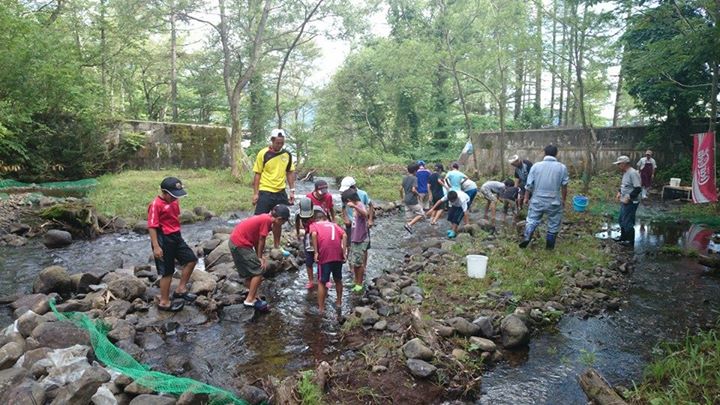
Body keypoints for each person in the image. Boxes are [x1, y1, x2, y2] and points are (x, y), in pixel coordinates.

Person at [148, 177, 197, 312]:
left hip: (176, 236)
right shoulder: (155, 205)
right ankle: (164, 302)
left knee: (191, 260)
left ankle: (181, 289)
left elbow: (175, 217)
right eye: (173, 195)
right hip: (163, 239)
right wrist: (156, 246)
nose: (176, 198)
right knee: (167, 271)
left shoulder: (174, 202)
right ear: (164, 192)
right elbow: (152, 226)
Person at [229, 205, 290, 312]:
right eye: (283, 223)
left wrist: (259, 256)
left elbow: (257, 240)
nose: (282, 225)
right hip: (241, 244)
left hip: (235, 242)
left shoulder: (265, 217)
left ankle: (253, 295)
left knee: (250, 272)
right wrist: (259, 258)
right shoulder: (266, 220)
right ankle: (249, 299)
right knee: (258, 271)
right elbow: (262, 239)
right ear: (279, 219)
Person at [519, 145, 569, 250]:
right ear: (556, 153)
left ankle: (527, 236)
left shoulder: (536, 166)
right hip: (554, 200)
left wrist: (526, 198)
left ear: (544, 153)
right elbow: (564, 186)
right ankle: (549, 248)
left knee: (532, 220)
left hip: (537, 199)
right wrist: (563, 200)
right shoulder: (562, 167)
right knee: (553, 224)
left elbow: (529, 185)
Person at [309, 210, 346, 315]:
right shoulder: (334, 224)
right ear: (325, 218)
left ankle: (321, 308)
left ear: (316, 219)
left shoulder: (314, 225)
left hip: (324, 255)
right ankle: (339, 302)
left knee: (322, 281)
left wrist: (316, 252)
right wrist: (344, 253)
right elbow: (344, 235)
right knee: (338, 279)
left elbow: (314, 234)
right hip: (338, 254)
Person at [252, 129, 296, 215]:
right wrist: (256, 193)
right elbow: (258, 174)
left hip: (280, 192)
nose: (280, 145)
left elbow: (290, 172)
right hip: (266, 191)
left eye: (282, 143)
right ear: (272, 140)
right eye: (277, 143)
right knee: (259, 218)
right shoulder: (263, 153)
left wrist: (292, 191)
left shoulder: (287, 154)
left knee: (279, 219)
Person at [339, 176, 374, 266]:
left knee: (365, 247)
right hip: (351, 224)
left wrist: (370, 220)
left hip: (362, 224)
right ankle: (352, 266)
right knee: (350, 245)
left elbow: (370, 206)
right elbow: (343, 207)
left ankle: (363, 266)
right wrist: (345, 218)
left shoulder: (363, 194)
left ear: (353, 187)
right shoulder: (345, 195)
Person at [341, 189, 369, 293]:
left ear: (349, 200)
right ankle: (356, 281)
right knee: (355, 263)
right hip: (354, 237)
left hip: (360, 239)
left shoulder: (359, 205)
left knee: (359, 263)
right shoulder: (355, 206)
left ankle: (359, 284)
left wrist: (355, 206)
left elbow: (365, 214)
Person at [614, 155, 642, 246]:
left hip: (631, 202)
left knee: (627, 221)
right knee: (621, 220)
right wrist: (619, 192)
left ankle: (630, 242)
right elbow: (625, 185)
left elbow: (638, 188)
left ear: (624, 163)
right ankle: (623, 237)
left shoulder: (633, 173)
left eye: (619, 164)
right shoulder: (626, 172)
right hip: (624, 200)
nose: (618, 166)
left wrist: (629, 197)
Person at [295, 198, 318, 289]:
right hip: (308, 236)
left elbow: (327, 222)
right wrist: (297, 233)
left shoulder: (319, 211)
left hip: (320, 235)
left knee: (321, 258)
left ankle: (323, 279)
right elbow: (297, 223)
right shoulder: (298, 214)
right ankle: (311, 280)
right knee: (308, 260)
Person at [401, 163, 425, 233]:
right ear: (415, 171)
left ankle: (408, 233)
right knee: (421, 214)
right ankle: (409, 225)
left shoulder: (404, 178)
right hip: (412, 200)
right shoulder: (415, 178)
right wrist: (419, 195)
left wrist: (402, 198)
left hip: (406, 200)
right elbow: (413, 190)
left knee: (409, 217)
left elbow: (400, 189)